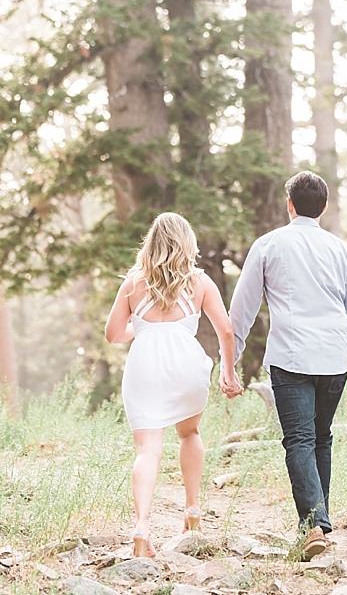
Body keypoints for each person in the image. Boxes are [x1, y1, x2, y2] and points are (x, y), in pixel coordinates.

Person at [228, 171, 347, 561]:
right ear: (324, 207)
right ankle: (319, 523)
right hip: (333, 358)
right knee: (320, 437)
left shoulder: (268, 245)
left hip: (291, 357)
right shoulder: (344, 252)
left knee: (300, 440)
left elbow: (241, 310)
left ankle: (313, 526)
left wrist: (231, 361)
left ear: (289, 205)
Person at [105, 212, 243, 558]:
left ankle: (141, 526)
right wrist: (229, 372)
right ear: (188, 243)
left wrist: (146, 329)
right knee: (189, 434)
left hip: (144, 369)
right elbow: (226, 331)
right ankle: (193, 509)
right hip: (186, 366)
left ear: (150, 243)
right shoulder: (201, 282)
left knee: (147, 450)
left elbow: (113, 335)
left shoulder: (133, 283)